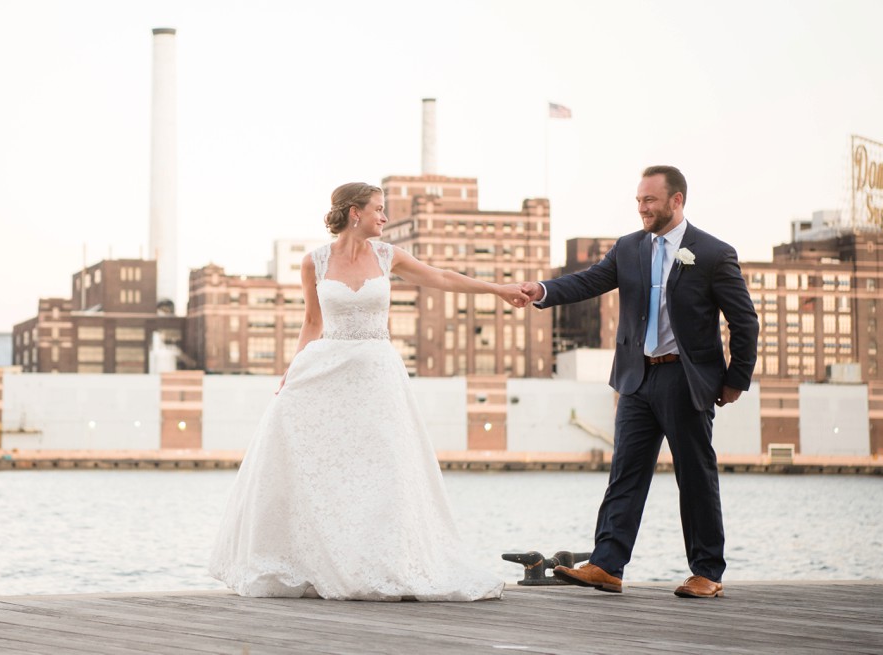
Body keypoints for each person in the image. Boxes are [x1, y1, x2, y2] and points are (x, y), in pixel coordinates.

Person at [209, 182, 530, 601]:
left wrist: (498, 290)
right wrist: (292, 374)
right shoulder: (314, 262)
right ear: (354, 213)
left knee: (385, 469)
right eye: (379, 210)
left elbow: (441, 278)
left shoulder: (387, 255)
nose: (384, 217)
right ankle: (318, 560)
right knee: (327, 469)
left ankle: (385, 563)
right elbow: (312, 322)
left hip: (378, 376)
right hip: (325, 372)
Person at [521, 166, 758, 598]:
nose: (642, 207)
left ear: (676, 201)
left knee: (696, 476)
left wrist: (735, 380)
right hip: (635, 377)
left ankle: (707, 572)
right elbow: (590, 280)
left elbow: (744, 322)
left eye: (650, 200)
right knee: (624, 474)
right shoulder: (629, 248)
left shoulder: (712, 252)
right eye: (638, 200)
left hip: (686, 380)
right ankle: (608, 565)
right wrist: (543, 290)